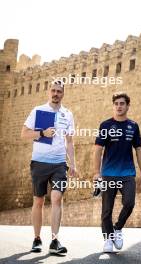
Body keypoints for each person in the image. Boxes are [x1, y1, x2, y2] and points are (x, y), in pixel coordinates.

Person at [21, 79, 76, 254]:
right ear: (49, 92)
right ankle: (37, 239)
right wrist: (42, 133)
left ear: (63, 94)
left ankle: (54, 240)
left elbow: (69, 141)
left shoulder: (68, 114)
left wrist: (73, 164)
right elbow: (24, 133)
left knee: (57, 198)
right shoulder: (38, 111)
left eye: (59, 91)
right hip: (39, 162)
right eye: (53, 90)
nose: (55, 94)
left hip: (59, 164)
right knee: (38, 200)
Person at [93, 92, 141, 253]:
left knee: (129, 203)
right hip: (108, 173)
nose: (119, 106)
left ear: (128, 106)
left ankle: (117, 229)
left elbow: (139, 149)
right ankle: (108, 239)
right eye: (116, 103)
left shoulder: (133, 126)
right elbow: (97, 150)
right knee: (106, 210)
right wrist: (96, 172)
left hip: (128, 174)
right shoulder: (105, 125)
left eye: (122, 103)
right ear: (113, 105)